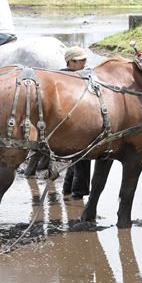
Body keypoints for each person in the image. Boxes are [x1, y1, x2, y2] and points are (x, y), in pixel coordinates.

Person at [61, 47, 91, 199]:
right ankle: (78, 195)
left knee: (75, 159)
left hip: (72, 123)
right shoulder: (64, 78)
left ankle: (67, 191)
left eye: (85, 60)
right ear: (70, 62)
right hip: (70, 125)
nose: (85, 64)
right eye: (81, 61)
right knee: (82, 156)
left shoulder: (81, 74)